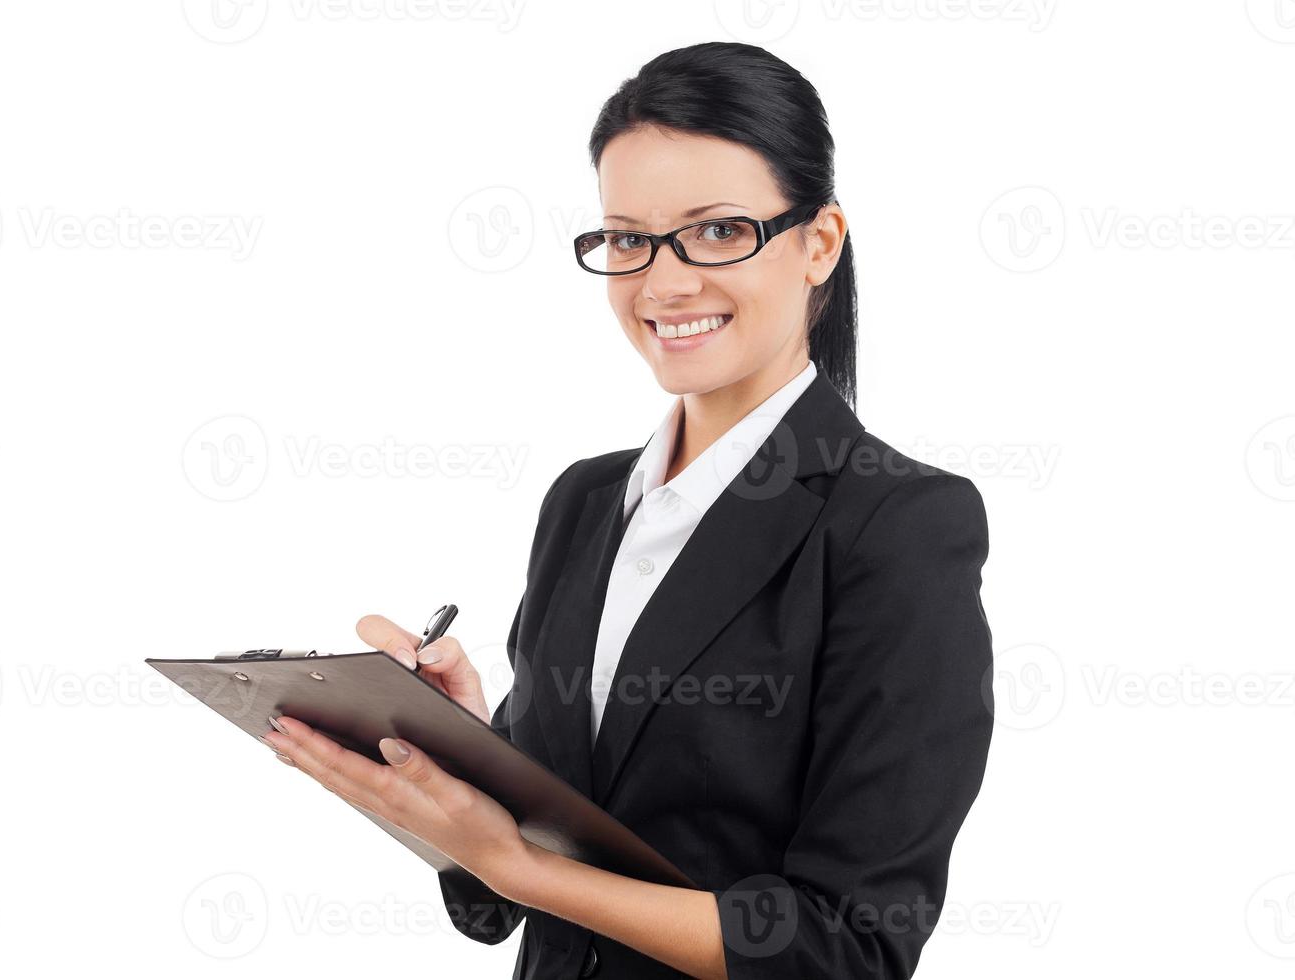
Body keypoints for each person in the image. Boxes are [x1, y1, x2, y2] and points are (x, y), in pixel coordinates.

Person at [260, 40, 994, 980]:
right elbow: (502, 895)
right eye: (626, 238)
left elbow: (849, 948)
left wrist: (518, 865)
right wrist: (467, 755)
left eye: (719, 231)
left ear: (819, 244)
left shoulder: (899, 526)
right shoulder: (584, 500)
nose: (663, 281)